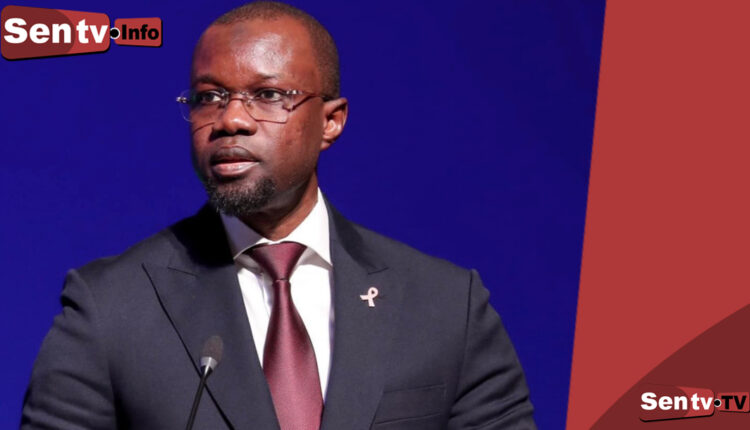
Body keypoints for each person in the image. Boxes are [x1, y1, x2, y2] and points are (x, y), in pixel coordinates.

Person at [21, 2, 536, 429]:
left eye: (268, 95)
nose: (231, 119)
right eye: (208, 98)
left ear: (331, 122)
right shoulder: (109, 308)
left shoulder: (446, 306)